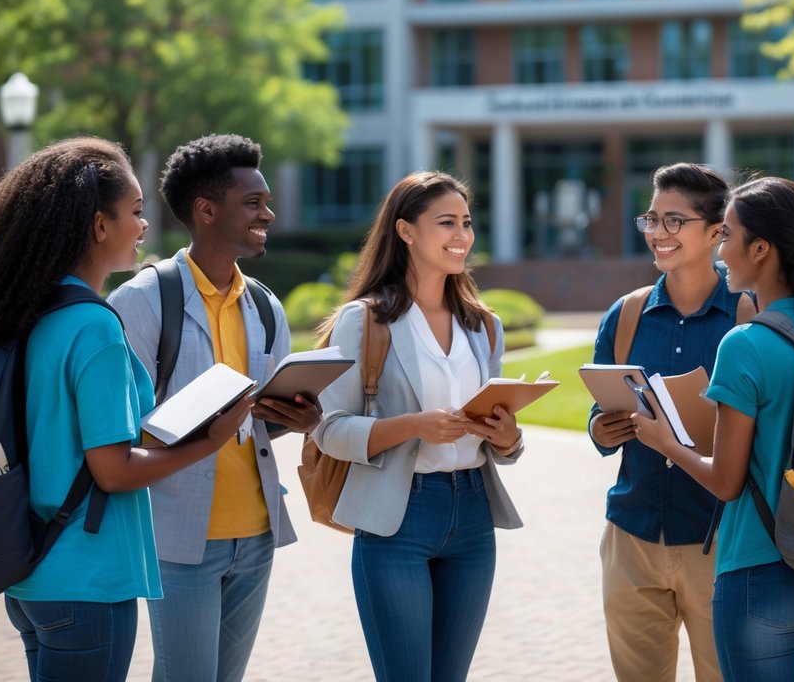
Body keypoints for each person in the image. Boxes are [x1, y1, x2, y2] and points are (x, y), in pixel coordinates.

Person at [0, 138, 249, 681]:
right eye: (134, 212)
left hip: (33, 572)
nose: (144, 226)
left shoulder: (31, 313)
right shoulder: (95, 327)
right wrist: (210, 440)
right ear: (99, 226)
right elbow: (113, 470)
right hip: (89, 581)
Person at [109, 134, 319, 682]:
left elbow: (262, 417)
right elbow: (115, 434)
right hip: (178, 538)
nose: (268, 214)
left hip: (256, 535)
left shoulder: (266, 307)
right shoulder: (141, 301)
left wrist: (300, 418)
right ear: (206, 210)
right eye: (253, 203)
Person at [633, 176, 794, 681]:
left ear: (760, 249)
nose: (720, 250)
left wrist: (664, 441)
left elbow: (726, 481)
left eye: (727, 236)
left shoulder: (744, 344)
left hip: (762, 568)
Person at [313, 171, 524, 682]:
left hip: (473, 515)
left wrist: (508, 438)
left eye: (467, 223)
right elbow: (329, 430)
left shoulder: (483, 324)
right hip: (398, 518)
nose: (462, 236)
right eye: (446, 223)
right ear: (406, 231)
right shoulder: (365, 321)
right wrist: (412, 425)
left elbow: (505, 440)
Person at [588, 163, 754, 682]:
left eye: (674, 221)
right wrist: (601, 428)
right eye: (652, 219)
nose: (658, 233)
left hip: (720, 541)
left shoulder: (749, 315)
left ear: (715, 232)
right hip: (632, 537)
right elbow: (597, 413)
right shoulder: (626, 315)